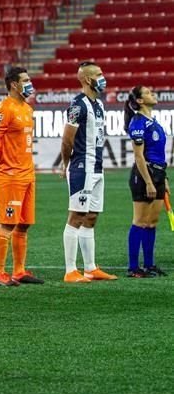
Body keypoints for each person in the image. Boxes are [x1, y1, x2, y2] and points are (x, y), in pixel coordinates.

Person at [60, 61, 117, 283]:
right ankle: (70, 270)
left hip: (97, 166)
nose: (102, 78)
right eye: (99, 75)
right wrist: (66, 164)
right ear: (86, 79)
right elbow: (67, 139)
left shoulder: (99, 105)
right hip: (82, 167)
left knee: (91, 217)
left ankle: (91, 268)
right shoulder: (78, 105)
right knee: (76, 215)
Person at [0, 67, 43, 286]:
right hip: (10, 175)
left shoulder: (27, 108)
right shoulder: (5, 108)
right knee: (7, 223)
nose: (29, 84)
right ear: (13, 85)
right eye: (25, 80)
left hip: (28, 173)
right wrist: (0, 162)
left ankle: (19, 270)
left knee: (24, 223)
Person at [124, 86, 168, 278]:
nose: (153, 94)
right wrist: (149, 182)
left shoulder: (153, 121)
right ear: (140, 101)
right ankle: (133, 268)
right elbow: (139, 157)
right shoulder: (138, 123)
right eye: (149, 93)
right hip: (144, 175)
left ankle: (149, 264)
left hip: (158, 174)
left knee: (152, 222)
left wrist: (163, 179)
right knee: (140, 221)